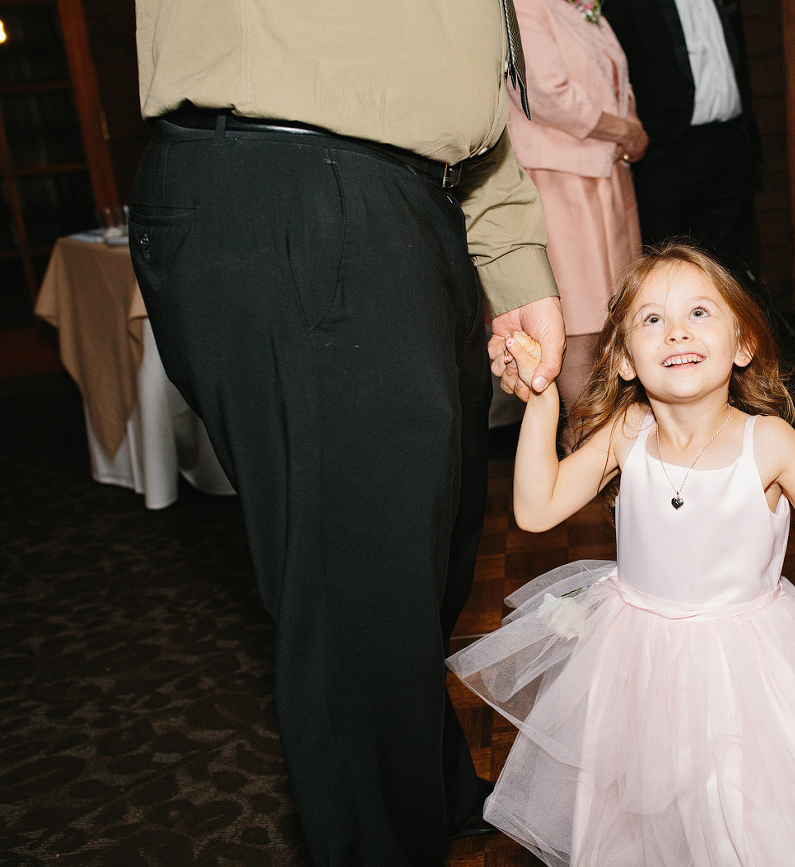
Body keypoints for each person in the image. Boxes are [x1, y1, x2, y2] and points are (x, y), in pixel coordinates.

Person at [128, 1, 566, 863]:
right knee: (357, 595)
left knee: (422, 557)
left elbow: (454, 63)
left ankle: (426, 784)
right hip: (294, 180)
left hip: (414, 193)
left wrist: (507, 247)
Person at [447, 243, 795, 867]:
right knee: (642, 823)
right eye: (652, 320)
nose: (676, 330)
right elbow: (536, 510)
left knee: (753, 821)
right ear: (623, 360)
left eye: (700, 313)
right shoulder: (628, 435)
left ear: (742, 345)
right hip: (637, 667)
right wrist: (540, 400)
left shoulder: (770, 444)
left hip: (748, 676)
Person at [508, 0, 648, 415]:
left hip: (607, 177)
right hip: (559, 183)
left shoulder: (585, 7)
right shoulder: (525, 5)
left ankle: (618, 446)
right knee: (577, 320)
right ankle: (582, 440)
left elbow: (616, 81)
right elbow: (544, 92)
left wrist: (632, 123)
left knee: (619, 313)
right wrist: (624, 130)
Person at [603, 0, 762, 284]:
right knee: (666, 268)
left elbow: (738, 60)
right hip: (666, 151)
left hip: (731, 143)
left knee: (731, 271)